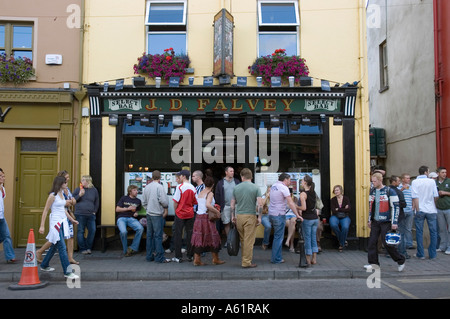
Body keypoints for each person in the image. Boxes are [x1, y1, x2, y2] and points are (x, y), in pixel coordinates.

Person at [38, 176, 79, 279]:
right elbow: (46, 210)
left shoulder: (61, 195)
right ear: (60, 184)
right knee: (62, 247)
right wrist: (42, 225)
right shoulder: (53, 196)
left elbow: (63, 210)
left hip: (62, 222)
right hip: (55, 223)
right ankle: (67, 271)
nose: (66, 183)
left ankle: (44, 264)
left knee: (55, 245)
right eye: (65, 182)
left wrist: (71, 220)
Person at [365, 172, 405, 271]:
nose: (373, 183)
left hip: (386, 221)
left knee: (387, 243)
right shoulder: (372, 191)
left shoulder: (390, 191)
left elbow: (396, 207)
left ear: (380, 180)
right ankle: (373, 264)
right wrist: (369, 219)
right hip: (375, 221)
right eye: (372, 181)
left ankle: (400, 260)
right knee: (372, 242)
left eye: (374, 181)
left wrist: (394, 222)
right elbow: (370, 206)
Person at [231, 168, 262, 268]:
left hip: (239, 216)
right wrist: (259, 217)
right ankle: (246, 262)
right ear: (251, 176)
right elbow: (260, 205)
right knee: (249, 241)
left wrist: (233, 216)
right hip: (250, 216)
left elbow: (232, 205)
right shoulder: (256, 188)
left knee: (243, 240)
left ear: (242, 176)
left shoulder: (236, 188)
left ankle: (245, 259)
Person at [191, 176, 225, 266]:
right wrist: (217, 212)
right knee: (213, 237)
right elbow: (208, 205)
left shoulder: (200, 192)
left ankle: (197, 259)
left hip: (198, 217)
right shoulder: (210, 193)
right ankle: (215, 259)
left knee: (199, 238)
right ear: (213, 184)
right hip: (206, 218)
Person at [268, 173, 300, 264]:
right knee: (278, 237)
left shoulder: (274, 186)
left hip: (272, 214)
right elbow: (291, 203)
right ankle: (276, 259)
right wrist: (297, 215)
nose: (290, 182)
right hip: (279, 214)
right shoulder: (284, 188)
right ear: (285, 179)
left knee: (276, 237)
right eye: (289, 180)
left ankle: (275, 257)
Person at [411, 165, 439, 260]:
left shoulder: (414, 182)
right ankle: (432, 254)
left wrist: (418, 209)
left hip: (420, 209)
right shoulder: (432, 181)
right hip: (431, 209)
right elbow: (436, 195)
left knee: (419, 232)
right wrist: (433, 205)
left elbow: (415, 197)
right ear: (426, 172)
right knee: (433, 232)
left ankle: (421, 253)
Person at [142, 170, 170, 263]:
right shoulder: (159, 187)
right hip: (157, 214)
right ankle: (159, 258)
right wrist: (164, 208)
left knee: (149, 235)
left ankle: (149, 256)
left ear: (152, 177)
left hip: (149, 214)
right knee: (158, 236)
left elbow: (144, 202)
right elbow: (164, 201)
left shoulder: (147, 187)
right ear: (160, 177)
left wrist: (148, 208)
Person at [172, 170, 197, 263]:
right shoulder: (193, 188)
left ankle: (178, 256)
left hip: (180, 213)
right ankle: (190, 255)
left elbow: (175, 201)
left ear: (183, 176)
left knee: (178, 234)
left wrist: (176, 211)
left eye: (180, 176)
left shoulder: (180, 187)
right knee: (190, 234)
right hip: (190, 213)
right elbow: (195, 202)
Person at [72, 175, 99, 254]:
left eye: (84, 180)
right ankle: (82, 248)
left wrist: (95, 211)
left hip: (91, 214)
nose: (82, 181)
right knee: (81, 231)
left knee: (92, 230)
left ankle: (88, 247)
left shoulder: (94, 190)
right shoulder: (78, 190)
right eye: (82, 180)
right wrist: (80, 195)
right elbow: (72, 200)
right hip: (80, 214)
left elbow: (97, 201)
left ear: (88, 181)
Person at [116, 184, 144, 257]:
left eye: (137, 190)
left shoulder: (138, 201)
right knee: (124, 232)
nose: (136, 192)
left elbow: (137, 211)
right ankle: (125, 250)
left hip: (131, 218)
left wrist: (136, 213)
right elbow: (117, 209)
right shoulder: (124, 198)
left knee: (140, 228)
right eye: (134, 190)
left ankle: (132, 247)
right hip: (121, 218)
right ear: (130, 191)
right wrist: (127, 209)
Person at [297, 175, 318, 266]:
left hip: (307, 219)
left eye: (302, 181)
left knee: (307, 239)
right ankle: (314, 259)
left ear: (305, 182)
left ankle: (308, 260)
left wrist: (295, 206)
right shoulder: (313, 192)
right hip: (315, 218)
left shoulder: (303, 194)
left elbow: (304, 208)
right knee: (314, 238)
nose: (301, 182)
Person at [215, 166, 240, 241]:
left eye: (233, 171)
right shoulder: (220, 183)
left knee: (237, 223)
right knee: (226, 223)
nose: (232, 172)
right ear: (226, 172)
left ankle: (237, 241)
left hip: (236, 206)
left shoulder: (237, 181)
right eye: (231, 171)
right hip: (225, 206)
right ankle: (230, 241)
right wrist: (220, 206)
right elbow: (217, 194)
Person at [0, 168, 16, 264]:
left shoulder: (3, 189)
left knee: (6, 236)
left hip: (1, 217)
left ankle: (10, 256)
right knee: (5, 236)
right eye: (1, 176)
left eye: (3, 176)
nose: (3, 178)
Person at [329, 185, 351, 252]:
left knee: (345, 227)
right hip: (335, 216)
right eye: (335, 190)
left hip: (345, 216)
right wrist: (344, 208)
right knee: (333, 225)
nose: (336, 192)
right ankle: (343, 242)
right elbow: (333, 210)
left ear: (341, 191)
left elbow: (349, 209)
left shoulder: (346, 199)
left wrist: (338, 209)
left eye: (337, 190)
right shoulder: (333, 200)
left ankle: (341, 243)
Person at [435, 167, 450, 255]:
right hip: (439, 209)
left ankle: (449, 247)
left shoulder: (449, 181)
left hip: (448, 208)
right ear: (438, 173)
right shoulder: (435, 183)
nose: (444, 174)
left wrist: (445, 193)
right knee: (442, 229)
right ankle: (442, 246)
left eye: (445, 172)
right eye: (442, 172)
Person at [399, 173, 414, 250]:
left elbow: (413, 198)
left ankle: (409, 244)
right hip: (402, 210)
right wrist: (402, 189)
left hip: (409, 210)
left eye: (409, 178)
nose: (408, 180)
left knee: (408, 228)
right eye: (407, 178)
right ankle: (402, 244)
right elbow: (397, 195)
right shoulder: (399, 187)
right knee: (401, 228)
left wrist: (413, 207)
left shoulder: (411, 187)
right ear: (403, 179)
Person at [260, 186, 271, 250]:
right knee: (268, 226)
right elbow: (261, 205)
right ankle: (265, 243)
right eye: (269, 191)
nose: (270, 192)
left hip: (273, 216)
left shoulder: (275, 197)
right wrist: (267, 197)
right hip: (265, 215)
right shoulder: (264, 197)